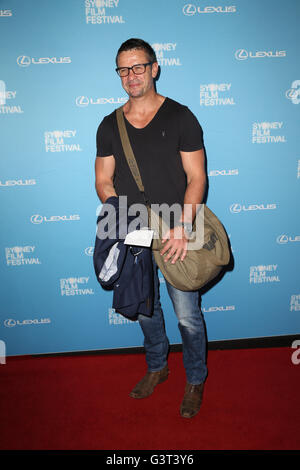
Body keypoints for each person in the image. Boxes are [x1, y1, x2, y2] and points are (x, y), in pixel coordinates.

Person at [95, 38, 207, 418]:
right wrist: (121, 220)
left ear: (154, 68)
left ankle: (195, 378)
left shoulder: (181, 117)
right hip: (135, 232)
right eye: (123, 69)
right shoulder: (109, 125)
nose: (131, 76)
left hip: (179, 229)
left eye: (138, 67)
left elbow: (197, 178)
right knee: (144, 309)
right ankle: (158, 367)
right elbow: (103, 180)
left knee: (187, 314)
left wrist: (183, 226)